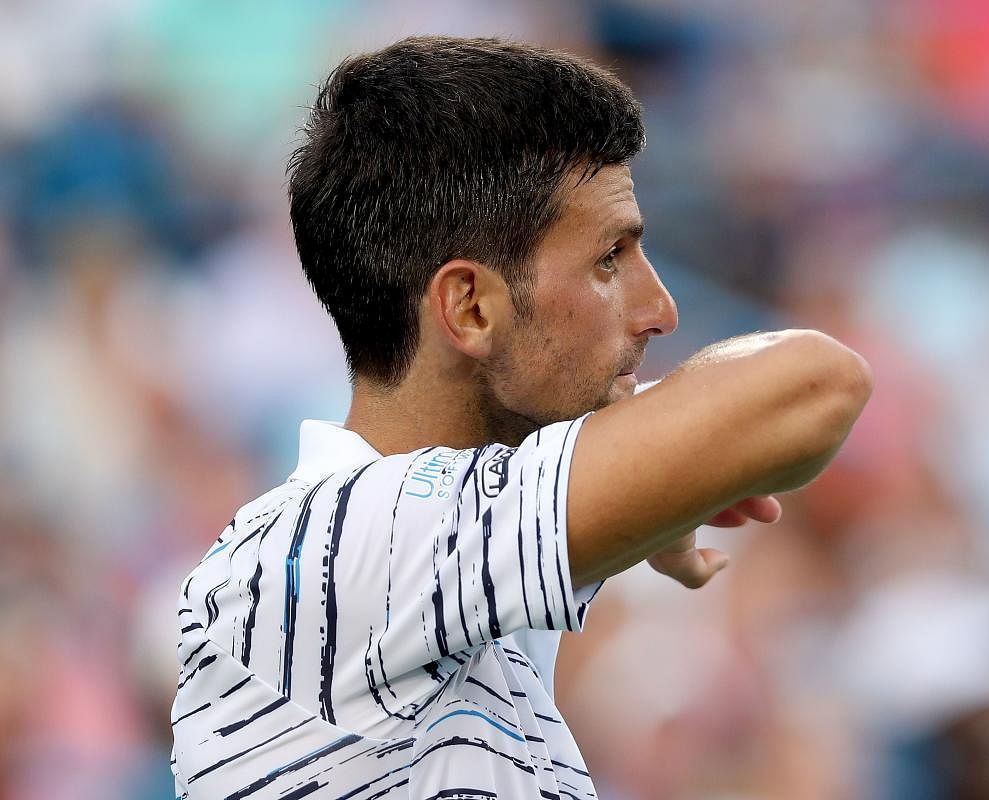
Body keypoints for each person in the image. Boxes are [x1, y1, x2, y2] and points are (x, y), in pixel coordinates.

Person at [170, 36, 871, 800]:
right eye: (610, 258)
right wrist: (664, 448)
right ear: (470, 306)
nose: (660, 309)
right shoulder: (337, 542)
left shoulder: (443, 584)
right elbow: (816, 383)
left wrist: (653, 475)